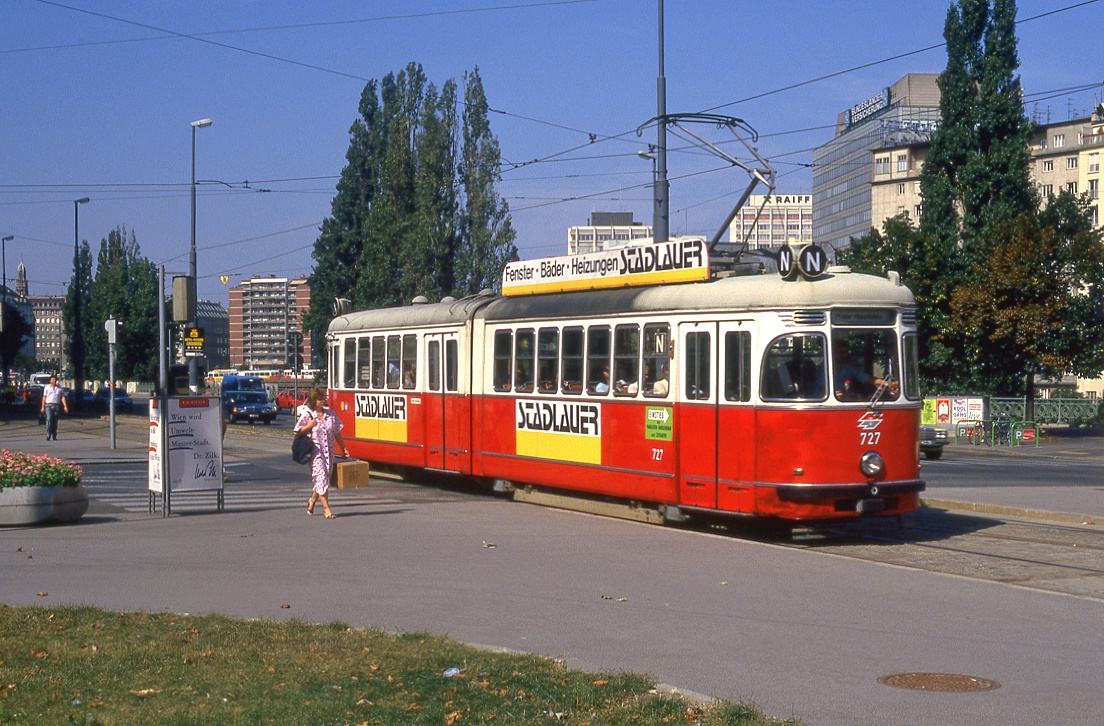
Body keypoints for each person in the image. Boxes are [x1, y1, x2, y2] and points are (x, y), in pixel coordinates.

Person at [294, 387, 349, 519]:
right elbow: (297, 431)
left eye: (323, 398)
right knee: (321, 477)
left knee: (323, 479)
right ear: (313, 401)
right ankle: (326, 509)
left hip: (329, 452)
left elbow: (337, 432)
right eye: (319, 399)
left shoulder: (330, 415)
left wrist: (344, 448)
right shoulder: (308, 414)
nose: (322, 401)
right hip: (315, 452)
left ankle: (312, 500)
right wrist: (310, 426)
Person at [40, 376, 68, 441]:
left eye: (55, 379)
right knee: (49, 419)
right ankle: (48, 434)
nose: (54, 381)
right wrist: (42, 407)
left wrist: (65, 406)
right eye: (53, 379)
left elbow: (62, 397)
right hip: (48, 405)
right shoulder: (47, 388)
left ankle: (54, 435)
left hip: (56, 405)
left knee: (55, 421)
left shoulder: (59, 388)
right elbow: (44, 397)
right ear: (50, 381)